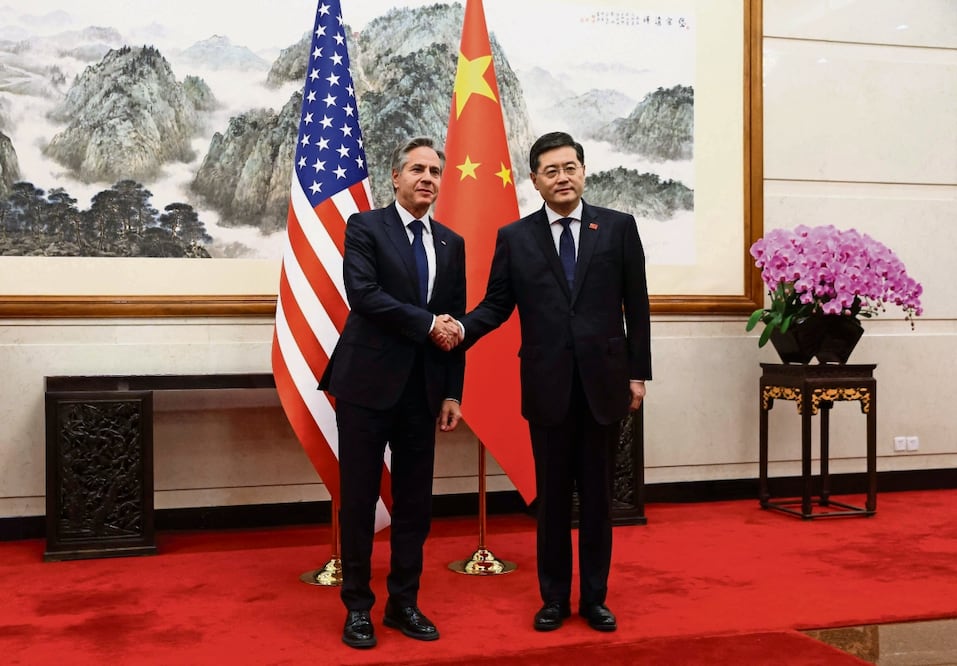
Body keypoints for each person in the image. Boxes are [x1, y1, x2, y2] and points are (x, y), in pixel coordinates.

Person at [457, 131, 652, 633]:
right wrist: (459, 328)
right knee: (551, 502)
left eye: (570, 167)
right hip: (547, 387)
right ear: (534, 180)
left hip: (605, 385)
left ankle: (595, 599)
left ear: (583, 171)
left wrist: (638, 373)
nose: (562, 177)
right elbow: (498, 305)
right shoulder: (516, 238)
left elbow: (638, 305)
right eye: (551, 171)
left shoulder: (617, 228)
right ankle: (552, 600)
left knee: (598, 500)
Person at [318, 136, 466, 649]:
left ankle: (404, 603)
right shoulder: (365, 227)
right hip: (365, 386)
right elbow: (364, 295)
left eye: (435, 171)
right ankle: (358, 606)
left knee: (414, 506)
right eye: (417, 169)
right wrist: (427, 323)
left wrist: (453, 391)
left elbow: (455, 326)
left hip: (423, 393)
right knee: (359, 500)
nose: (427, 178)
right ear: (395, 178)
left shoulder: (452, 242)